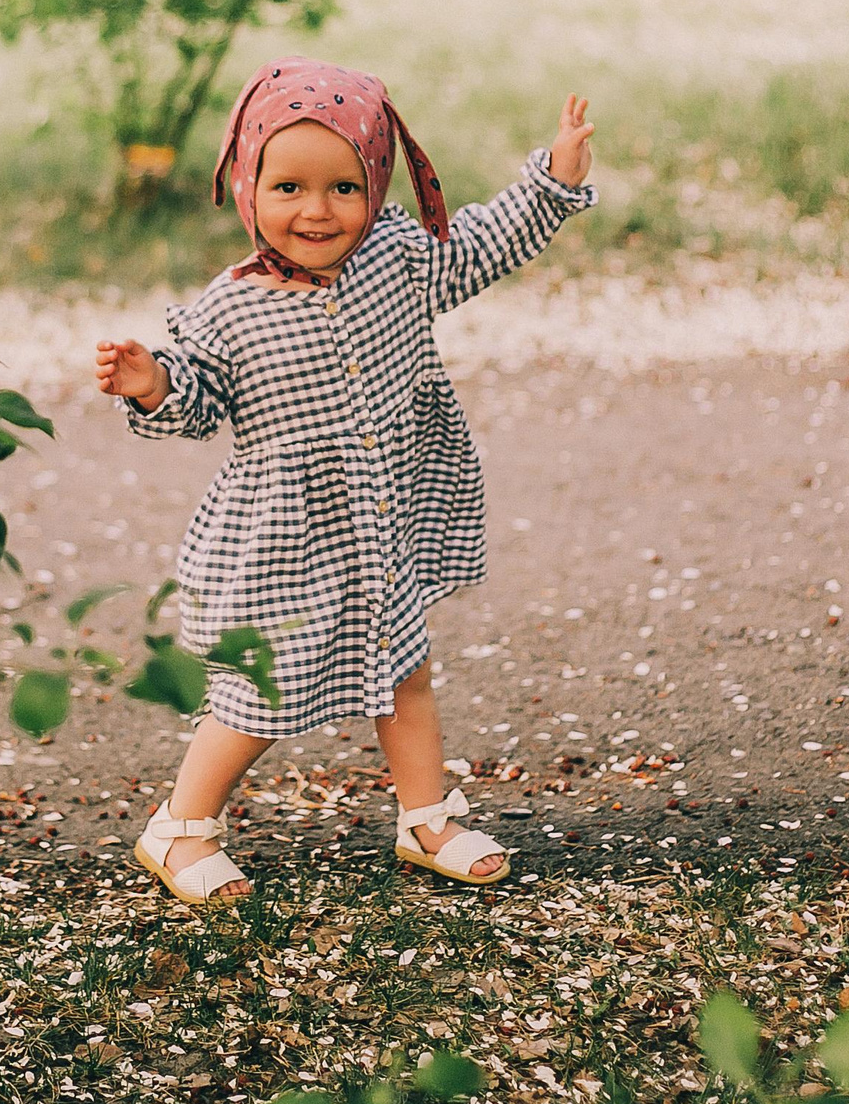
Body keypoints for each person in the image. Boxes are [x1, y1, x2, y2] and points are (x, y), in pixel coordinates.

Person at [92, 57, 597, 902]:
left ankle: (425, 817)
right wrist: (154, 383)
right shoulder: (231, 308)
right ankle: (180, 828)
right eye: (288, 188)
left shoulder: (397, 258)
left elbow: (480, 244)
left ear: (377, 181)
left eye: (343, 188)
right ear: (249, 186)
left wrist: (553, 180)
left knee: (406, 669)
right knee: (258, 695)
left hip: (380, 525)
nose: (316, 211)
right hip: (282, 543)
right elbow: (198, 398)